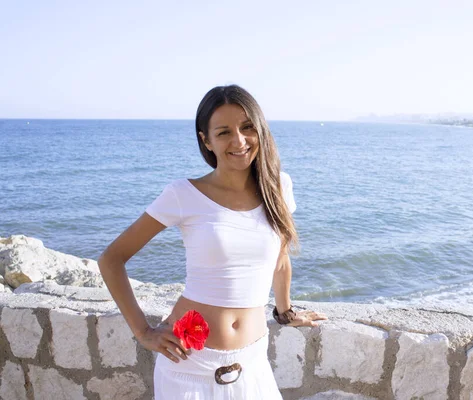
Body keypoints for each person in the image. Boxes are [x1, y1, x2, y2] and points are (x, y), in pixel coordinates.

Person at [98, 85, 327, 399]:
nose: (239, 141)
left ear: (261, 130)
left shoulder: (279, 188)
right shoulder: (183, 194)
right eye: (223, 132)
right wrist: (143, 332)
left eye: (247, 127)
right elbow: (112, 258)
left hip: (252, 363)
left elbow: (280, 259)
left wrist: (285, 312)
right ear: (206, 140)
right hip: (188, 363)